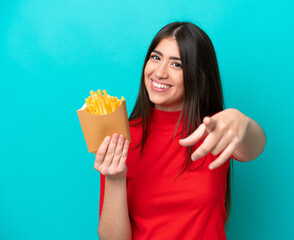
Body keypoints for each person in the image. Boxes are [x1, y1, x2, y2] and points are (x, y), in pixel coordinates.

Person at [95, 22, 266, 240]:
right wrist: (115, 179)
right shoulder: (122, 136)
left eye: (177, 65)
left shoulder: (215, 128)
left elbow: (255, 148)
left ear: (199, 76)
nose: (159, 72)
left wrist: (242, 121)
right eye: (156, 57)